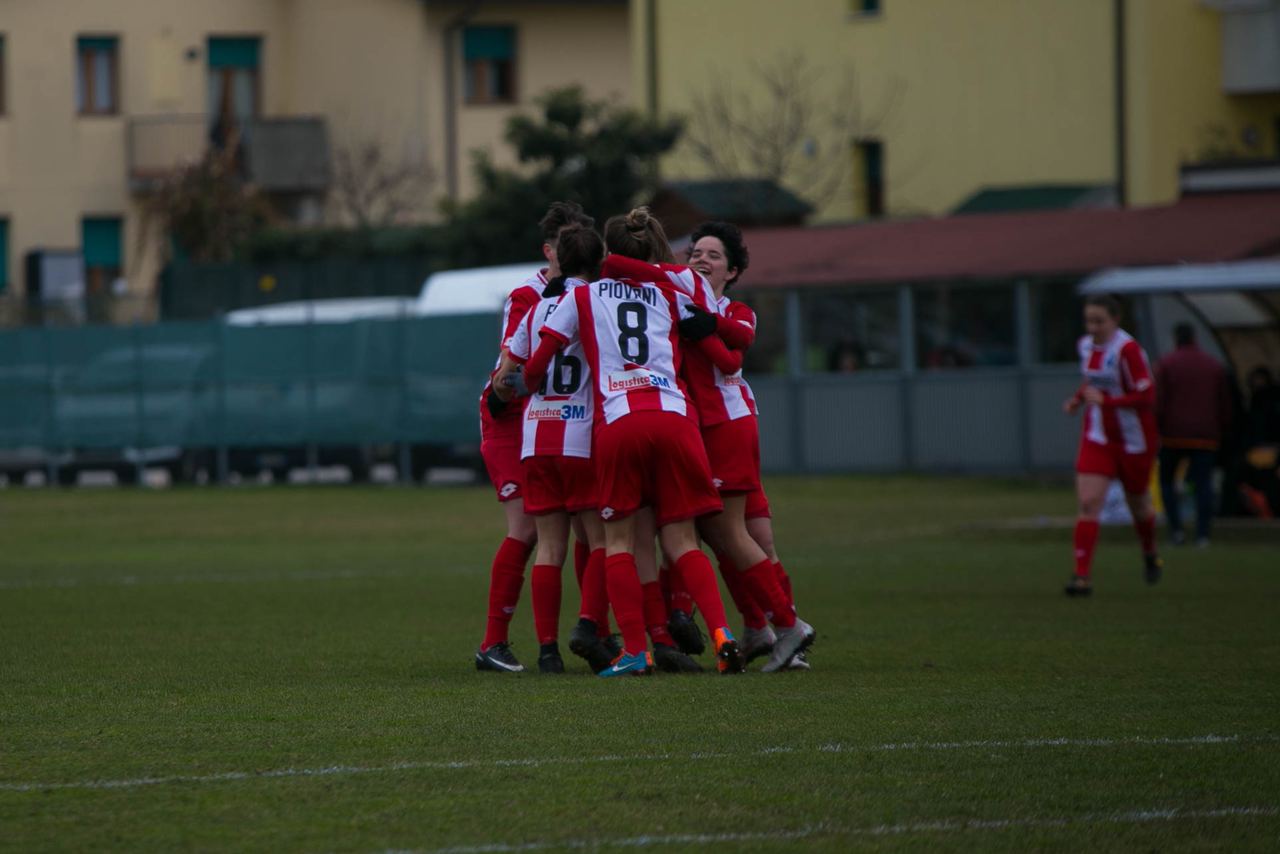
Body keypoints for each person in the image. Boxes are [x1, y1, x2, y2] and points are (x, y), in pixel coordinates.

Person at [501, 220, 746, 676]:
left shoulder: (578, 297)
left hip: (615, 421)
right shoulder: (673, 291)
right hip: (675, 418)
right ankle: (722, 634)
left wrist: (527, 384)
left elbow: (537, 360)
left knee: (615, 541)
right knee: (681, 538)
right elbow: (728, 343)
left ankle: (634, 649)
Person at [600, 214, 815, 672]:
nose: (701, 260)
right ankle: (759, 628)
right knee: (722, 536)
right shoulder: (679, 292)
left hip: (724, 423)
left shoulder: (716, 302)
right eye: (695, 253)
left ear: (732, 270)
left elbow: (732, 356)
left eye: (713, 256)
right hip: (699, 424)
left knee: (733, 535)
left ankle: (786, 628)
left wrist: (707, 326)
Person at [474, 201, 594, 674]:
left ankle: (592, 632)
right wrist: (512, 385)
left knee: (591, 528)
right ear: (549, 250)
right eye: (565, 244)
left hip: (558, 420)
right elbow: (508, 373)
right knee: (526, 531)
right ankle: (493, 644)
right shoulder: (529, 295)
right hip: (511, 421)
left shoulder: (589, 290)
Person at [1061, 294, 1161, 597]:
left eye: (1099, 321)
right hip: (1097, 437)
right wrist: (1078, 400)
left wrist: (1110, 402)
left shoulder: (1128, 350)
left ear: (1115, 320)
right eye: (1089, 320)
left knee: (1139, 505)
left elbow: (1147, 396)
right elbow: (1092, 382)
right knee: (1089, 503)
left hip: (1133, 441)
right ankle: (1082, 578)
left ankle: (1149, 551)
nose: (1093, 327)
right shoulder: (1085, 346)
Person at [1153, 323, 1232, 546]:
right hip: (1205, 437)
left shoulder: (1166, 364)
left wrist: (1156, 428)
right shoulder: (1213, 366)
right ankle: (1203, 534)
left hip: (1172, 435)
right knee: (1203, 484)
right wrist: (1222, 430)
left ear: (1176, 339)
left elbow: (1158, 402)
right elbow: (1224, 403)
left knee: (1166, 482)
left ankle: (1176, 531)